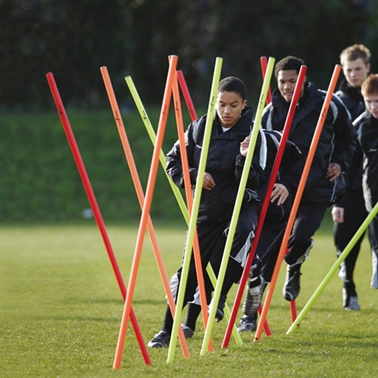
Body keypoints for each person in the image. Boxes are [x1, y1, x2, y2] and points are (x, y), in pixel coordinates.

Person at [148, 76, 267, 347]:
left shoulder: (254, 133)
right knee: (189, 269)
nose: (226, 111)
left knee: (241, 234)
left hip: (240, 205)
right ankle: (167, 330)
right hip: (206, 209)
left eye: (233, 105)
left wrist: (244, 158)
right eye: (221, 104)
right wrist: (194, 174)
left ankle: (220, 296)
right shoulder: (199, 128)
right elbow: (172, 161)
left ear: (244, 105)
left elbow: (255, 180)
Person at [252, 56, 356, 307]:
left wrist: (340, 162)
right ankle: (250, 312)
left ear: (304, 79)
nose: (287, 87)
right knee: (267, 251)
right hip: (283, 189)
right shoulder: (270, 112)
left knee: (299, 239)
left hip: (317, 187)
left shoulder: (330, 102)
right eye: (282, 82)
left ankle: (294, 267)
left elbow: (348, 138)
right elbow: (262, 152)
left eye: (293, 80)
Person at [183, 129, 304, 335]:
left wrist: (286, 184)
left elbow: (301, 161)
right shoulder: (215, 140)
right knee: (212, 262)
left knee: (249, 264)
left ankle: (245, 310)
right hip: (235, 213)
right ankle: (190, 323)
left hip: (269, 219)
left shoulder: (271, 139)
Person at [331, 44, 372, 310]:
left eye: (359, 69)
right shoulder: (335, 101)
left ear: (368, 67)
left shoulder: (375, 96)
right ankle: (349, 289)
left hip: (374, 181)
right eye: (349, 70)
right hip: (349, 184)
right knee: (344, 241)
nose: (354, 74)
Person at [352, 73, 378, 291]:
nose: (374, 106)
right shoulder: (360, 125)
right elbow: (350, 163)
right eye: (369, 102)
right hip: (373, 192)